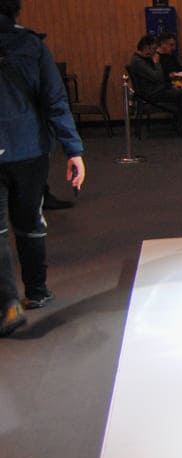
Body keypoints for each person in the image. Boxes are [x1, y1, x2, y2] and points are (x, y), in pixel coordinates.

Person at [0, 0, 86, 335]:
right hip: (28, 150)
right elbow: (55, 99)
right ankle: (36, 292)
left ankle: (7, 305)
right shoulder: (31, 46)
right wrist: (73, 150)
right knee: (29, 221)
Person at [128, 35, 182, 138]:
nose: (156, 52)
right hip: (151, 93)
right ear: (146, 48)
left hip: (156, 89)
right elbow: (157, 77)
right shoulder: (138, 61)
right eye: (154, 49)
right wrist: (157, 63)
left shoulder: (141, 59)